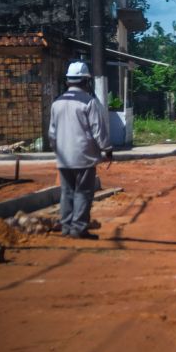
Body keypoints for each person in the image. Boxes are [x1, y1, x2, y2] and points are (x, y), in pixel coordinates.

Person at [48, 62, 113, 239]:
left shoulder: (56, 103)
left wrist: (58, 150)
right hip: (84, 157)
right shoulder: (89, 102)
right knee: (83, 193)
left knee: (67, 192)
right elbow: (98, 130)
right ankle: (78, 228)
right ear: (86, 81)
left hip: (63, 158)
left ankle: (66, 227)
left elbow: (52, 133)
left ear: (68, 81)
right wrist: (107, 149)